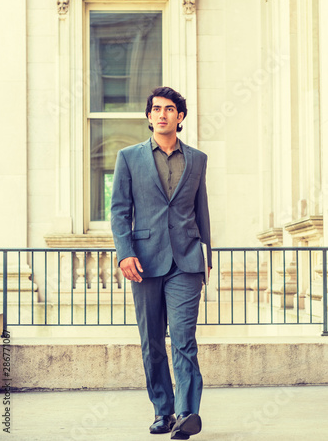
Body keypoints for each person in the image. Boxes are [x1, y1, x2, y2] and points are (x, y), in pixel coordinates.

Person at [111, 86, 212, 440]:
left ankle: (186, 414)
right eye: (156, 109)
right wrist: (124, 252)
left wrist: (206, 258)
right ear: (149, 115)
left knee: (184, 339)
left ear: (180, 117)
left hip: (186, 260)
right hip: (144, 261)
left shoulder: (197, 159)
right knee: (152, 341)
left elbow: (202, 212)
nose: (163, 114)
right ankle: (162, 411)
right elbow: (120, 211)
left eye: (170, 109)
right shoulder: (129, 157)